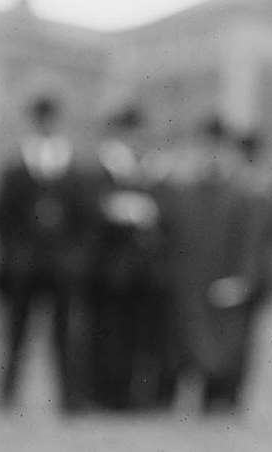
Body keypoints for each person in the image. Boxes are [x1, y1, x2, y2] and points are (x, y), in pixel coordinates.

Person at [0, 94, 100, 412]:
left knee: (65, 334)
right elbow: (3, 217)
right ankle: (7, 393)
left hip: (61, 265)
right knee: (16, 332)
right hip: (24, 264)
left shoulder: (74, 169)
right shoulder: (16, 167)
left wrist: (76, 258)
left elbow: (86, 220)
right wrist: (13, 254)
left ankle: (70, 397)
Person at [162, 117, 272, 414]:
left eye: (218, 149)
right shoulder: (180, 193)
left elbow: (253, 243)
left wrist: (243, 280)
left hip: (226, 288)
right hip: (189, 287)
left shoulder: (242, 195)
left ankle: (222, 407)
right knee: (187, 352)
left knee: (226, 360)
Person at [86, 104, 168, 411]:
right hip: (110, 268)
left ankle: (131, 395)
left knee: (138, 336)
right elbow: (91, 208)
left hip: (144, 270)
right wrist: (120, 209)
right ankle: (105, 393)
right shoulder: (103, 167)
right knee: (108, 332)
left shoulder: (148, 168)